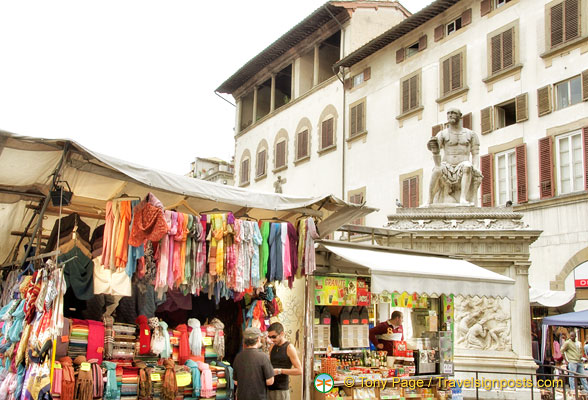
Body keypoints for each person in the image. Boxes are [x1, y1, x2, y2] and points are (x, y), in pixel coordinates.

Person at [427, 107, 483, 205]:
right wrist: (432, 146)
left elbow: (475, 153)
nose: (450, 115)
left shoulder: (470, 134)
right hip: (447, 165)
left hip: (462, 164)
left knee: (468, 166)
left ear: (460, 116)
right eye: (448, 113)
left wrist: (476, 167)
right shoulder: (442, 134)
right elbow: (435, 149)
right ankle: (429, 199)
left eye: (453, 113)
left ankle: (463, 198)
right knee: (436, 170)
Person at [233, 327, 275, 400]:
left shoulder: (238, 357)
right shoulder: (263, 357)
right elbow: (270, 381)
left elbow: (236, 382)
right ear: (258, 339)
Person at [267, 322, 302, 400]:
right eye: (270, 337)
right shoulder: (272, 346)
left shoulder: (289, 348)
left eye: (274, 337)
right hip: (269, 387)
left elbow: (299, 370)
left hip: (281, 389)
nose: (272, 339)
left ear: (281, 334)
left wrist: (280, 371)